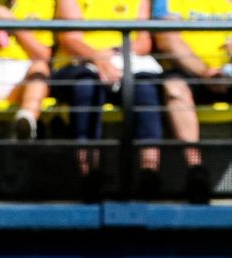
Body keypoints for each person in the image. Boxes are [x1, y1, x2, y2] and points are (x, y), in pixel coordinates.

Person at [151, 0, 232, 200]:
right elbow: (167, 39)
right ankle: (195, 169)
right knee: (173, 86)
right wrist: (204, 72)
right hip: (192, 72)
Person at [50, 0, 165, 193]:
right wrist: (98, 58)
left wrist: (114, 54)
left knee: (145, 88)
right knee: (86, 87)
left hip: (125, 60)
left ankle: (149, 172)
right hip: (80, 63)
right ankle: (89, 174)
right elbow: (70, 39)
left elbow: (143, 42)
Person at [0, 0, 55, 141]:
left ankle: (26, 120)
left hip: (23, 75)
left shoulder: (44, 4)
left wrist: (13, 23)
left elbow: (43, 55)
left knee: (40, 68)